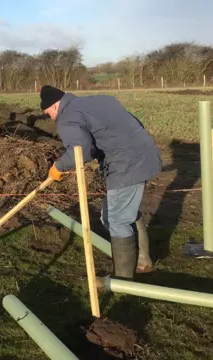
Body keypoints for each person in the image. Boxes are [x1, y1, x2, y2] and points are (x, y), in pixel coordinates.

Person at [41, 85, 162, 279]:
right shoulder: (101, 100)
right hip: (145, 154)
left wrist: (58, 167)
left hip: (126, 165)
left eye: (48, 112)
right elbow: (124, 125)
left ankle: (123, 280)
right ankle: (142, 259)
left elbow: (79, 151)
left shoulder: (67, 117)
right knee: (113, 215)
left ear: (55, 105)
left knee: (117, 219)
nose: (50, 117)